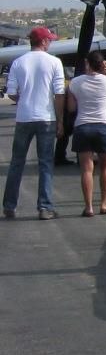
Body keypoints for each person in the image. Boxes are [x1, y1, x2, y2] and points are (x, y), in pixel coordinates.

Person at [3, 26, 66, 220]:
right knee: (45, 163)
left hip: (24, 117)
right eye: (50, 40)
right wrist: (60, 120)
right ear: (44, 42)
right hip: (46, 117)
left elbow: (12, 92)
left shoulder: (18, 62)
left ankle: (9, 205)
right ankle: (44, 207)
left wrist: (23, 99)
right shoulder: (55, 62)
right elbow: (59, 94)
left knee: (17, 162)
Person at [68, 51, 106, 216]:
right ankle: (104, 203)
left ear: (87, 63)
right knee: (105, 167)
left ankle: (88, 207)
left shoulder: (75, 82)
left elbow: (71, 108)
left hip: (83, 126)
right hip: (103, 126)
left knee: (86, 169)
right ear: (102, 64)